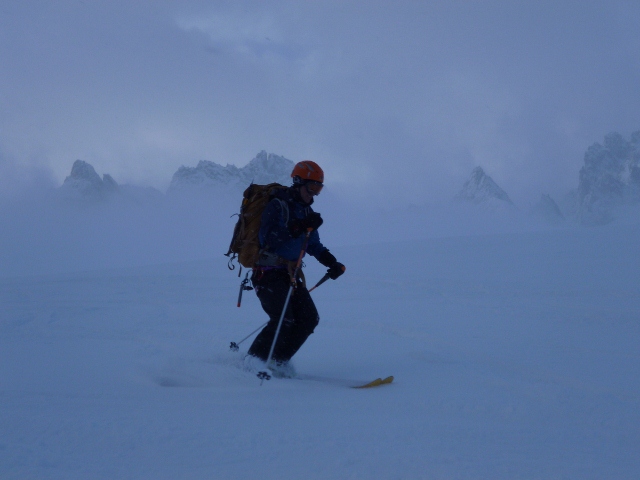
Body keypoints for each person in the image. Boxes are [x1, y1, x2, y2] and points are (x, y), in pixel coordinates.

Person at [246, 160, 344, 372]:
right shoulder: (277, 205)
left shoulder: (307, 213)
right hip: (268, 273)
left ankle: (277, 364)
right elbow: (269, 238)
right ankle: (250, 367)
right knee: (283, 320)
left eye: (319, 188)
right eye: (312, 187)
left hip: (290, 275)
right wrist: (299, 227)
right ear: (298, 182)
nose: (315, 193)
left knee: (309, 319)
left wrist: (332, 263)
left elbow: (314, 245)